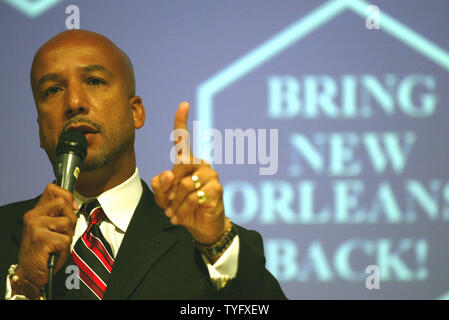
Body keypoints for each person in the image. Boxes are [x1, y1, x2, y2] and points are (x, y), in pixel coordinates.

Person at [0, 29, 286, 300]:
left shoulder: (203, 241)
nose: (74, 102)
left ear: (135, 112)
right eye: (53, 90)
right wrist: (24, 282)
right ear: (40, 130)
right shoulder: (6, 235)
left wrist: (217, 246)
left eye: (94, 81)